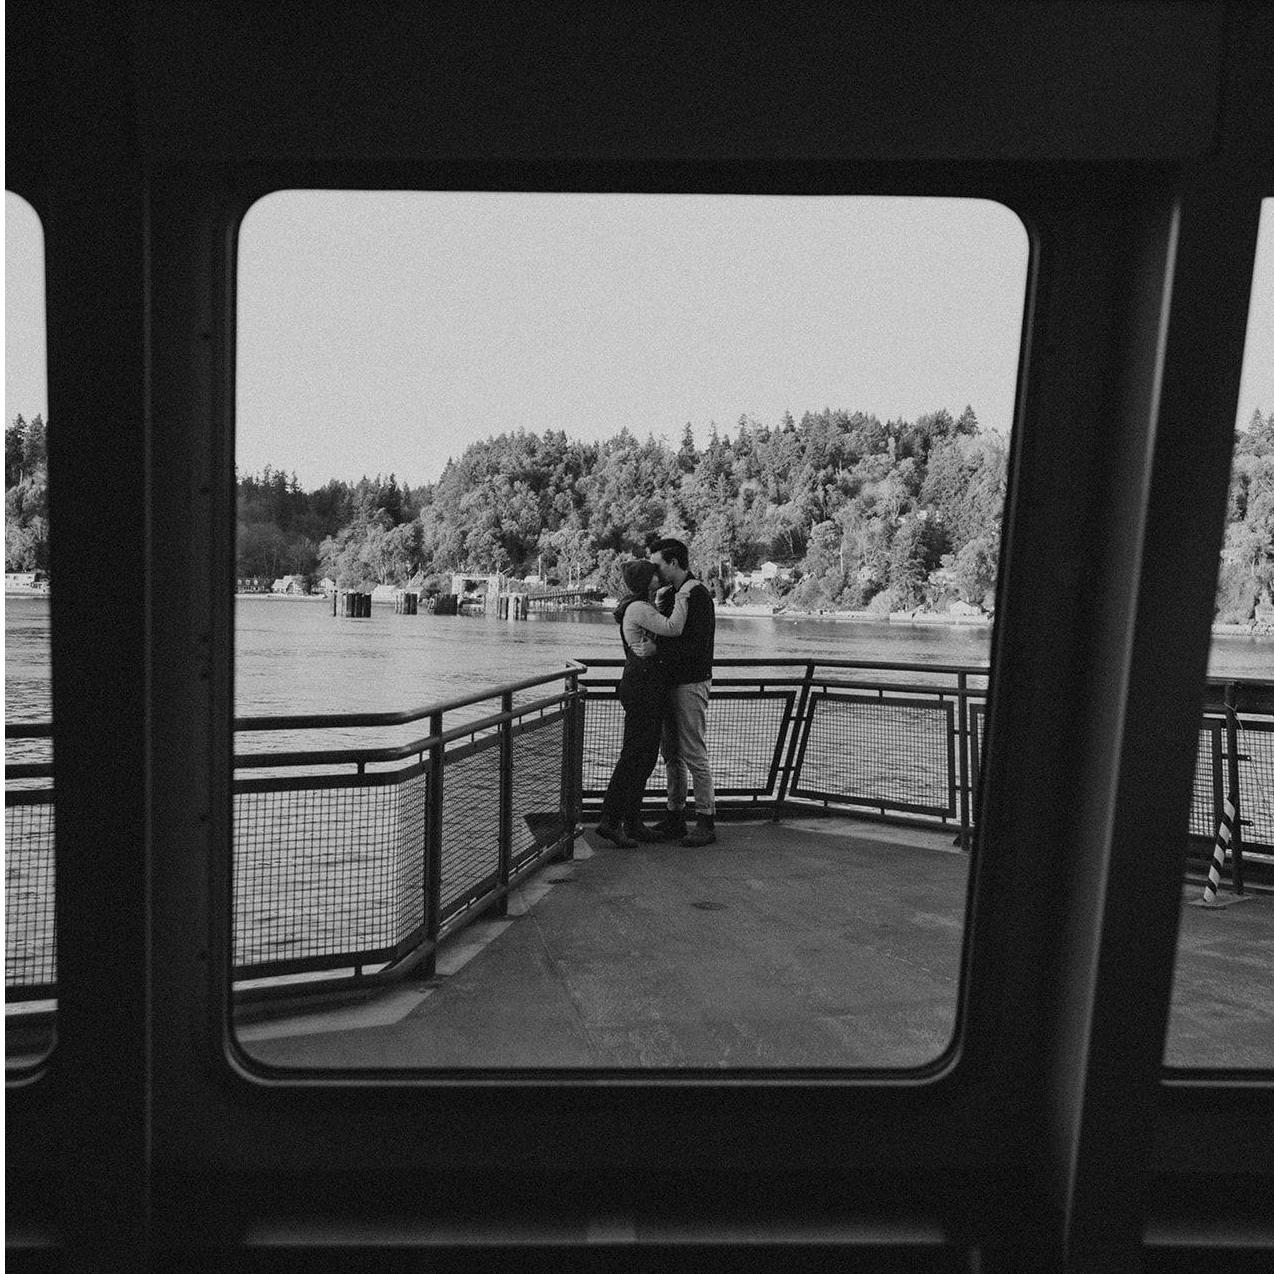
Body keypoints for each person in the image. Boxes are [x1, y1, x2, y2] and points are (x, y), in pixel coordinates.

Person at [595, 559, 695, 848]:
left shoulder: (641, 605)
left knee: (644, 756)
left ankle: (632, 823)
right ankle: (610, 821)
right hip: (642, 687)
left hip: (643, 685)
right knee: (635, 756)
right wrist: (684, 596)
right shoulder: (639, 608)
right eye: (654, 573)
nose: (658, 575)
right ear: (645, 580)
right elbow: (674, 628)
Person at [647, 538, 717, 846]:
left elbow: (694, 644)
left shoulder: (696, 595)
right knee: (672, 754)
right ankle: (675, 815)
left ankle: (706, 820)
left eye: (658, 564)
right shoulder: (674, 595)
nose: (656, 570)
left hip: (690, 683)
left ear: (674, 563)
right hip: (674, 683)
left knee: (693, 753)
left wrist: (658, 651)